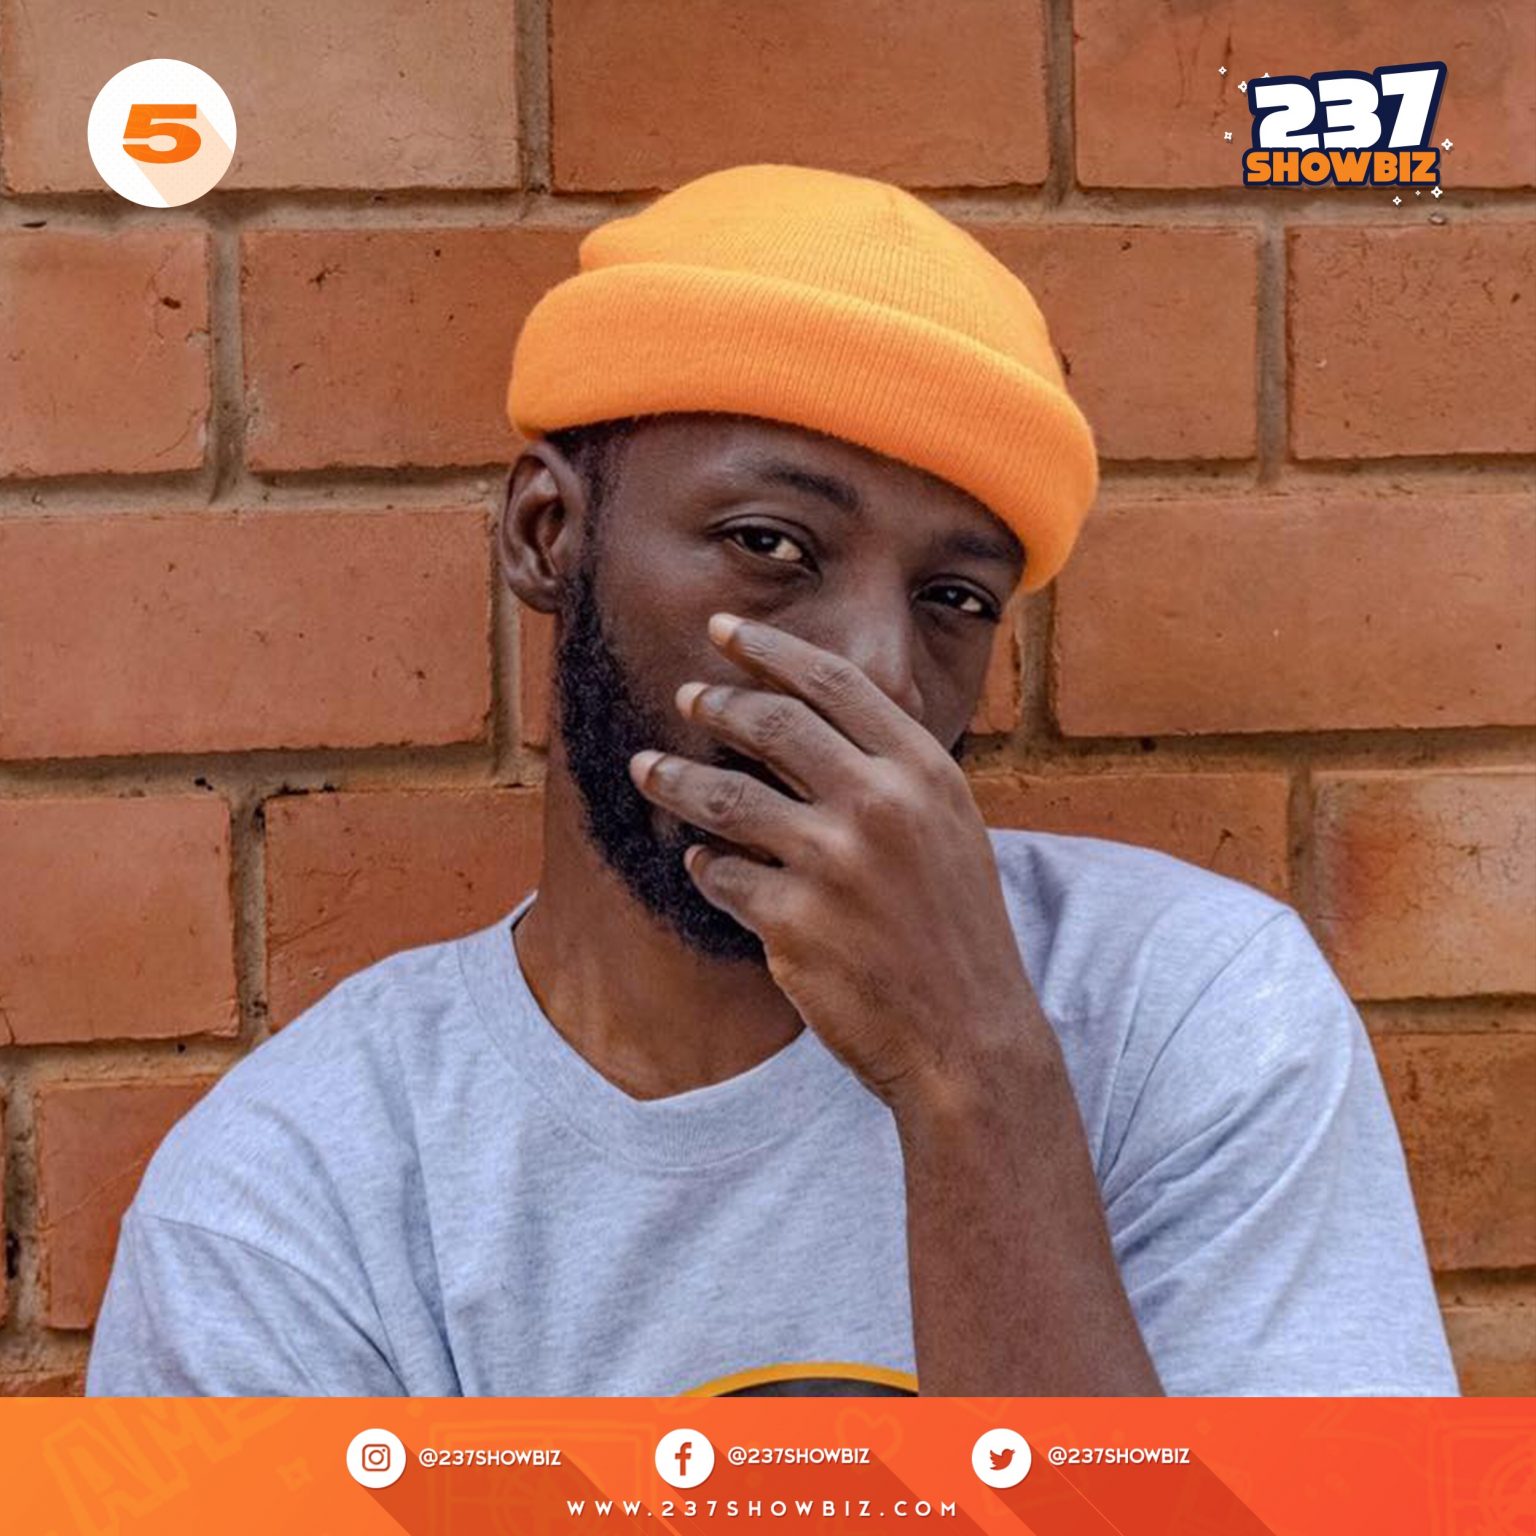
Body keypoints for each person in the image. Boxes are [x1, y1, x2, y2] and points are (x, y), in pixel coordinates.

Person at [87, 164, 1457, 1397]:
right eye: (770, 544)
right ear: (549, 533)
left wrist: (969, 1072)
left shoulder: (1190, 1019)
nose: (879, 670)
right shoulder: (297, 1199)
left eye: (954, 598)